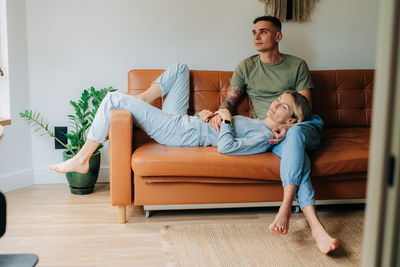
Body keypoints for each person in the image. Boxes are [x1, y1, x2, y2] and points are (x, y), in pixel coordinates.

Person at [204, 15, 339, 254]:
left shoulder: (297, 65)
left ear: (278, 36)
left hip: (302, 125)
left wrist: (289, 127)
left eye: (263, 32)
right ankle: (316, 227)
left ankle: (286, 206)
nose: (256, 36)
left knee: (295, 136)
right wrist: (219, 113)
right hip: (270, 130)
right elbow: (230, 101)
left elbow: (304, 110)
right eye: (254, 31)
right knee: (297, 158)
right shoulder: (246, 66)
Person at [49, 62, 308, 170]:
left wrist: (226, 120)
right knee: (179, 68)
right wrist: (210, 115)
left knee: (112, 99)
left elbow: (228, 148)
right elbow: (221, 125)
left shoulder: (265, 137)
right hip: (187, 121)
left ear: (290, 121)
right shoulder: (258, 123)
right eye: (277, 101)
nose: (274, 106)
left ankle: (82, 159)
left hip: (179, 132)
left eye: (282, 107)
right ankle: (139, 101)